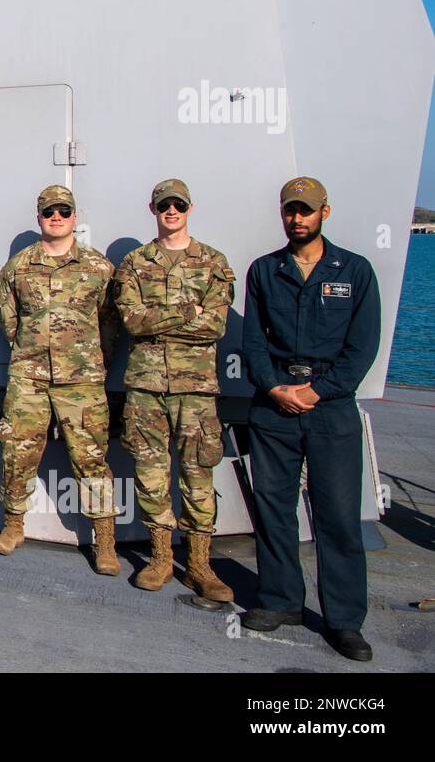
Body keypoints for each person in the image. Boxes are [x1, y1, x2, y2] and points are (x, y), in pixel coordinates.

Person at [240, 177, 381, 662]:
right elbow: (253, 343)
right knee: (274, 511)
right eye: (289, 211)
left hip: (329, 408)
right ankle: (281, 601)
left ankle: (344, 621)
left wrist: (317, 390)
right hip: (274, 405)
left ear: (325, 212)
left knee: (338, 518)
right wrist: (275, 387)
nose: (296, 219)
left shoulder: (355, 271)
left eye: (305, 211)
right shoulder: (263, 270)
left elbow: (362, 347)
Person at [113, 179, 235, 599]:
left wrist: (161, 318)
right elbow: (132, 321)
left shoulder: (213, 262)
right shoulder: (133, 264)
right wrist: (189, 311)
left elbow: (215, 325)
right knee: (150, 474)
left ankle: (200, 565)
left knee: (198, 474)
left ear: (189, 207)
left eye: (178, 204)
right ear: (153, 208)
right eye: (164, 204)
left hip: (196, 389)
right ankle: (162, 558)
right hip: (146, 387)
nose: (171, 210)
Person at [0, 185, 120, 574]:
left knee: (91, 458)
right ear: (39, 218)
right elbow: (7, 317)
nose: (57, 217)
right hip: (29, 377)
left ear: (75, 217)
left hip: (82, 380)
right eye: (50, 212)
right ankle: (13, 526)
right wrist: (30, 350)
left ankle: (105, 540)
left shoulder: (98, 267)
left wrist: (92, 361)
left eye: (64, 211)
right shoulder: (18, 266)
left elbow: (110, 324)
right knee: (17, 452)